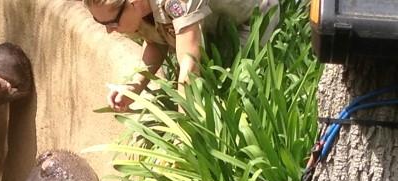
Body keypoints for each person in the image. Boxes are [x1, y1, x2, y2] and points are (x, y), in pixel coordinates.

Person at [82, 0, 279, 112]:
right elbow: (155, 41)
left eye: (111, 22)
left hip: (250, 20)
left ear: (133, 3)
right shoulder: (139, 10)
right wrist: (134, 86)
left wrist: (182, 135)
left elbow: (189, 66)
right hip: (211, 26)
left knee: (233, 91)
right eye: (100, 22)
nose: (109, 30)